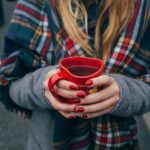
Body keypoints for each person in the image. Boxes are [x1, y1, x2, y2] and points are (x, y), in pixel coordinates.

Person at [0, 0, 149, 149]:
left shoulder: (141, 7)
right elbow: (10, 82)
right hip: (49, 143)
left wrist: (125, 93)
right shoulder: (35, 3)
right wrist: (44, 86)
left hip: (119, 142)